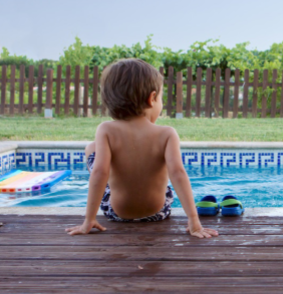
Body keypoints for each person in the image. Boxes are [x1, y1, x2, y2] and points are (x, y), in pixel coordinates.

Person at [66, 59, 218, 238]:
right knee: (165, 175)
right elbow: (178, 173)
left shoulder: (105, 130)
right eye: (160, 98)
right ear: (152, 98)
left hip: (116, 214)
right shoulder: (167, 134)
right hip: (158, 213)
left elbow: (99, 173)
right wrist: (194, 220)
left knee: (91, 149)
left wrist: (88, 219)